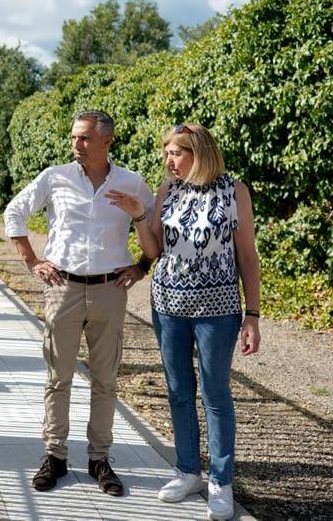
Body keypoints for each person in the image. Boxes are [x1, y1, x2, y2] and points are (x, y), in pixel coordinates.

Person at [105, 123, 261, 521]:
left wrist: (252, 316)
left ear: (199, 152)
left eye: (176, 153)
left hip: (219, 309)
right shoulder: (169, 190)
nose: (168, 160)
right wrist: (140, 215)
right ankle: (188, 471)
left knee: (215, 394)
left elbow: (247, 256)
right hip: (168, 305)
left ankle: (220, 482)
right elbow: (154, 249)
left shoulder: (234, 191)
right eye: (166, 153)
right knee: (177, 391)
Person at [4, 110, 154, 497]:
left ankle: (99, 459)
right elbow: (14, 212)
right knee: (59, 378)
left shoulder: (132, 182)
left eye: (85, 138)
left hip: (109, 291)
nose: (76, 145)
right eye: (74, 137)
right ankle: (54, 456)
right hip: (64, 288)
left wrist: (141, 266)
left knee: (105, 380)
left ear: (107, 142)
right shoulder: (55, 177)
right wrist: (32, 261)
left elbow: (154, 227)